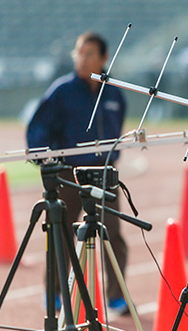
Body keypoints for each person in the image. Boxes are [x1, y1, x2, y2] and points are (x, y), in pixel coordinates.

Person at [26, 31, 130, 315]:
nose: (81, 59)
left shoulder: (115, 94)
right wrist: (43, 158)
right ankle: (55, 293)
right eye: (78, 53)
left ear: (103, 58)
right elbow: (38, 127)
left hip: (104, 174)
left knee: (113, 233)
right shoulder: (61, 91)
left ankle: (117, 296)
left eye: (88, 54)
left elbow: (116, 130)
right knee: (60, 231)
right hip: (68, 173)